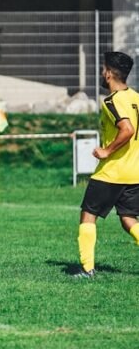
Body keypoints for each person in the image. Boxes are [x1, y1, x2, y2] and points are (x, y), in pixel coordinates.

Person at [75, 51, 139, 278]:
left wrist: (106, 151)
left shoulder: (112, 101)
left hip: (112, 172)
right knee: (128, 219)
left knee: (88, 215)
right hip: (134, 172)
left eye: (103, 69)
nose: (102, 73)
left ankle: (87, 269)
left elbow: (127, 130)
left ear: (110, 73)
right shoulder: (136, 98)